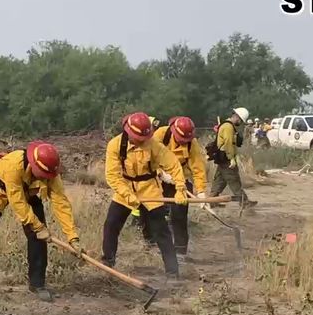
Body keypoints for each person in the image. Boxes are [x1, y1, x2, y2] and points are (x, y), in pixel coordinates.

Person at [0, 141, 81, 302]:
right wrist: (38, 226)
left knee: (38, 239)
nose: (45, 179)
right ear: (34, 165)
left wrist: (72, 237)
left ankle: (37, 284)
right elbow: (17, 202)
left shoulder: (51, 172)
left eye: (47, 177)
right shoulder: (14, 166)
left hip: (28, 193)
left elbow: (61, 202)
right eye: (42, 175)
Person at [101, 112, 188, 280]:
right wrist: (127, 194)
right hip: (125, 188)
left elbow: (174, 165)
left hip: (150, 189)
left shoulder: (154, 145)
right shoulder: (115, 145)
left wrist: (180, 188)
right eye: (138, 137)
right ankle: (108, 264)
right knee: (111, 225)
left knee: (161, 231)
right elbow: (112, 176)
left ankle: (172, 272)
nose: (142, 141)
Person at [142, 117, 207, 262]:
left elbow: (198, 168)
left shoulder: (192, 144)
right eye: (181, 139)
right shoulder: (160, 135)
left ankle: (180, 251)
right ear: (173, 131)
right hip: (158, 178)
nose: (184, 142)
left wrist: (201, 191)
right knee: (153, 211)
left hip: (180, 181)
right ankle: (151, 244)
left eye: (186, 139)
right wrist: (160, 172)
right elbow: (148, 156)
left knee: (179, 213)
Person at [209, 107, 257, 207]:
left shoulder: (227, 125)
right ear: (237, 117)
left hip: (223, 157)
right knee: (234, 179)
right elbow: (228, 144)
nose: (240, 122)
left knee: (220, 180)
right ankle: (244, 201)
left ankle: (212, 201)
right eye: (240, 120)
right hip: (226, 158)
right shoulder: (228, 127)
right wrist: (231, 159)